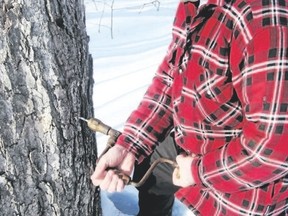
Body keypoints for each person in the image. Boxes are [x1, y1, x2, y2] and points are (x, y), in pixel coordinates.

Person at [91, 0, 288, 215]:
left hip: (246, 194)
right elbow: (170, 77)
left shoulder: (263, 19)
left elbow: (272, 151)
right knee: (146, 168)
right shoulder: (195, 4)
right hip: (191, 147)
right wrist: (130, 145)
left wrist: (197, 172)